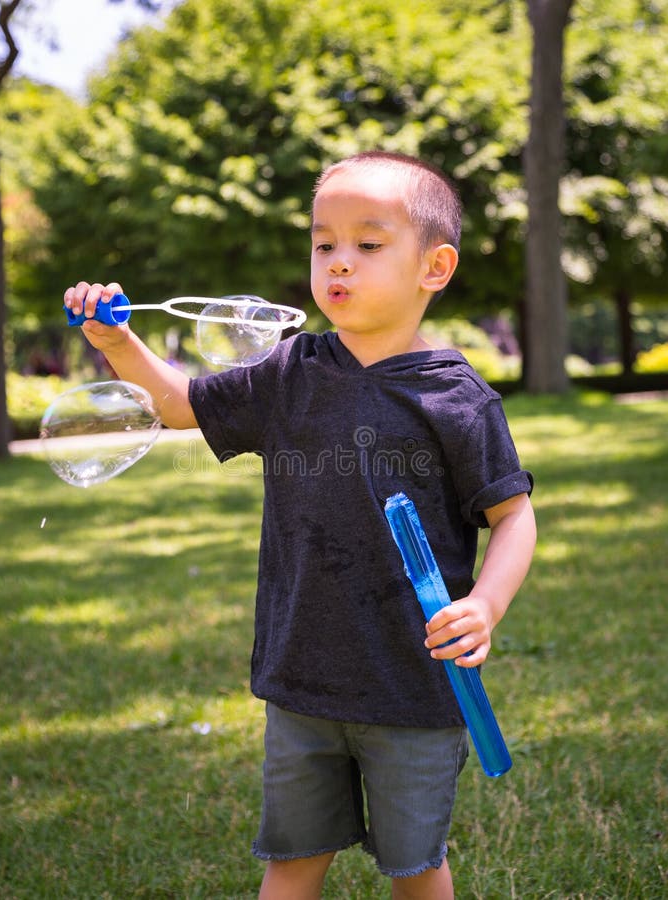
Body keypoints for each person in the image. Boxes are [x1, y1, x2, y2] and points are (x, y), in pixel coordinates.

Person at [64, 150, 536, 900]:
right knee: (291, 860)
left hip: (411, 684)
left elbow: (512, 516)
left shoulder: (457, 399)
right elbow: (184, 404)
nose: (338, 263)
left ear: (433, 267)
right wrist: (119, 343)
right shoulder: (291, 371)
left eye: (367, 244)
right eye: (324, 244)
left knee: (414, 866)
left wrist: (485, 604)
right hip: (301, 679)